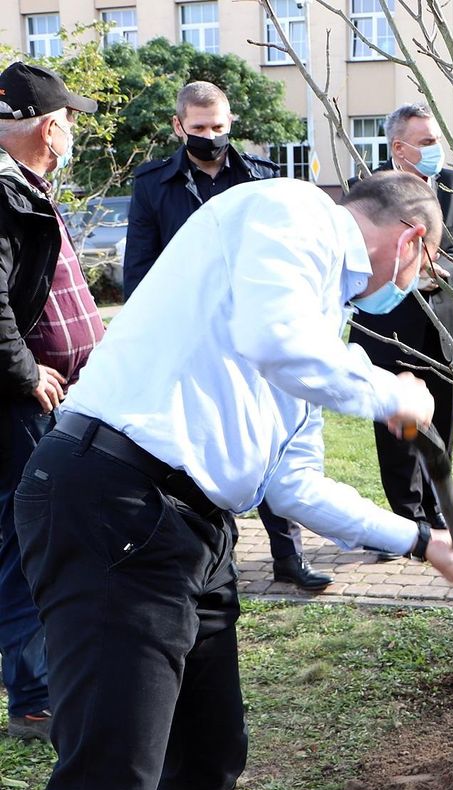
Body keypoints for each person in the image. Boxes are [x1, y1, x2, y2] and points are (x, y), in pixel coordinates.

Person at [15, 171, 453, 790]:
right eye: (428, 267)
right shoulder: (290, 211)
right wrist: (390, 392)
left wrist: (423, 542)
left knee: (209, 759)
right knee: (106, 788)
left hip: (193, 531)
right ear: (413, 240)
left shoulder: (319, 316)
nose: (417, 283)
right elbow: (277, 342)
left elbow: (294, 484)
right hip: (115, 498)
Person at [124, 81, 331, 591]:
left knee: (270, 440)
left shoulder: (262, 178)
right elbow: (140, 272)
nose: (210, 136)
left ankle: (289, 556)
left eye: (218, 127)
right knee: (206, 446)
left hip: (255, 331)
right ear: (178, 126)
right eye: (198, 129)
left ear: (231, 121)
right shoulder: (153, 185)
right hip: (190, 338)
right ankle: (219, 560)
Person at [0, 61, 102, 742]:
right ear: (45, 126)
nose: (71, 128)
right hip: (21, 405)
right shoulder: (3, 194)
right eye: (68, 117)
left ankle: (47, 681)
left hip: (50, 399)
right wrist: (25, 371)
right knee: (24, 541)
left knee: (41, 537)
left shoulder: (28, 187)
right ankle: (35, 699)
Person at [348, 103, 453, 543]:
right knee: (396, 426)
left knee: (441, 423)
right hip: (391, 326)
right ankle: (408, 518)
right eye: (427, 142)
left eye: (437, 140)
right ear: (399, 147)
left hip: (446, 326)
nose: (436, 150)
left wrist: (444, 263)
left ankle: (436, 508)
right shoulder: (366, 191)